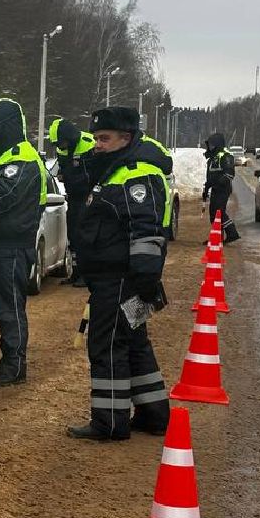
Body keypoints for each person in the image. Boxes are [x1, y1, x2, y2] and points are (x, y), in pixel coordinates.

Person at [66, 105, 172, 441]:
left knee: (107, 346)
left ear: (125, 138)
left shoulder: (135, 173)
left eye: (104, 138)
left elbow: (146, 231)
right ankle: (154, 414)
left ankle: (109, 423)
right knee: (134, 343)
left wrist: (143, 281)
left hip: (121, 279)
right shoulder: (114, 170)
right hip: (117, 279)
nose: (97, 144)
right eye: (96, 137)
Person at [0, 99, 46, 387]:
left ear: (4, 129)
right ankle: (9, 358)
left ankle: (15, 364)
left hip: (12, 248)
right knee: (2, 304)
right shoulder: (5, 158)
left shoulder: (23, 160)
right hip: (1, 246)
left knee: (10, 307)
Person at [48, 117, 94, 285]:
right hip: (73, 196)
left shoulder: (89, 144)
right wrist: (62, 174)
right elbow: (62, 167)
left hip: (89, 197)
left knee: (84, 235)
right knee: (73, 235)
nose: (60, 147)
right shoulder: (62, 150)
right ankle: (75, 273)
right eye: (57, 145)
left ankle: (87, 275)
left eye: (61, 143)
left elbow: (97, 170)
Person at [203, 133, 241, 243]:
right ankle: (217, 237)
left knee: (219, 212)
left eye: (212, 145)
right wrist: (206, 188)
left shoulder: (226, 156)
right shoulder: (212, 159)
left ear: (218, 145)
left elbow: (229, 173)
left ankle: (232, 233)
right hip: (215, 189)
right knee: (213, 213)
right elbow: (210, 176)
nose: (210, 147)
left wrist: (218, 183)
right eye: (209, 145)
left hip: (223, 189)